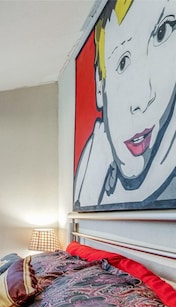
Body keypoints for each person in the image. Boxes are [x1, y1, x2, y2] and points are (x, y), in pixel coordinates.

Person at [74, 0, 176, 210]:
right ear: (100, 87)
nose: (142, 99)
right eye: (122, 62)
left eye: (161, 34)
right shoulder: (91, 178)